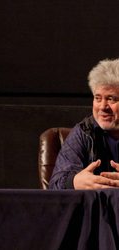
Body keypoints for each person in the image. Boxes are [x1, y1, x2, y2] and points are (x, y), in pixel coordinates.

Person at [49, 58, 119, 189]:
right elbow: (55, 184)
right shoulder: (84, 132)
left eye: (111, 99)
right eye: (98, 98)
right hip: (96, 208)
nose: (103, 106)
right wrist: (74, 181)